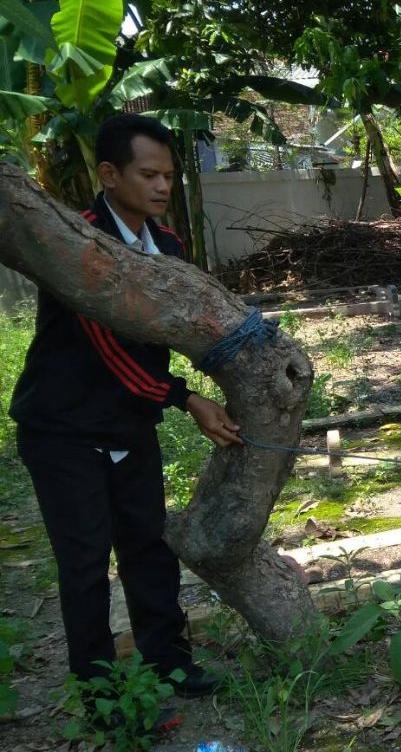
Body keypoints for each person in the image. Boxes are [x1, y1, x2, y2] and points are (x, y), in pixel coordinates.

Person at [9, 114, 242, 693]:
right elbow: (108, 348)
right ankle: (102, 694)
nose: (164, 187)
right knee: (86, 563)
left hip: (129, 422)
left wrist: (237, 356)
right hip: (62, 428)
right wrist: (185, 398)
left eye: (169, 175)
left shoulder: (166, 244)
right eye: (149, 174)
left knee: (148, 543)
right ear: (109, 174)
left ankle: (170, 662)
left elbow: (188, 318)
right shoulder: (78, 242)